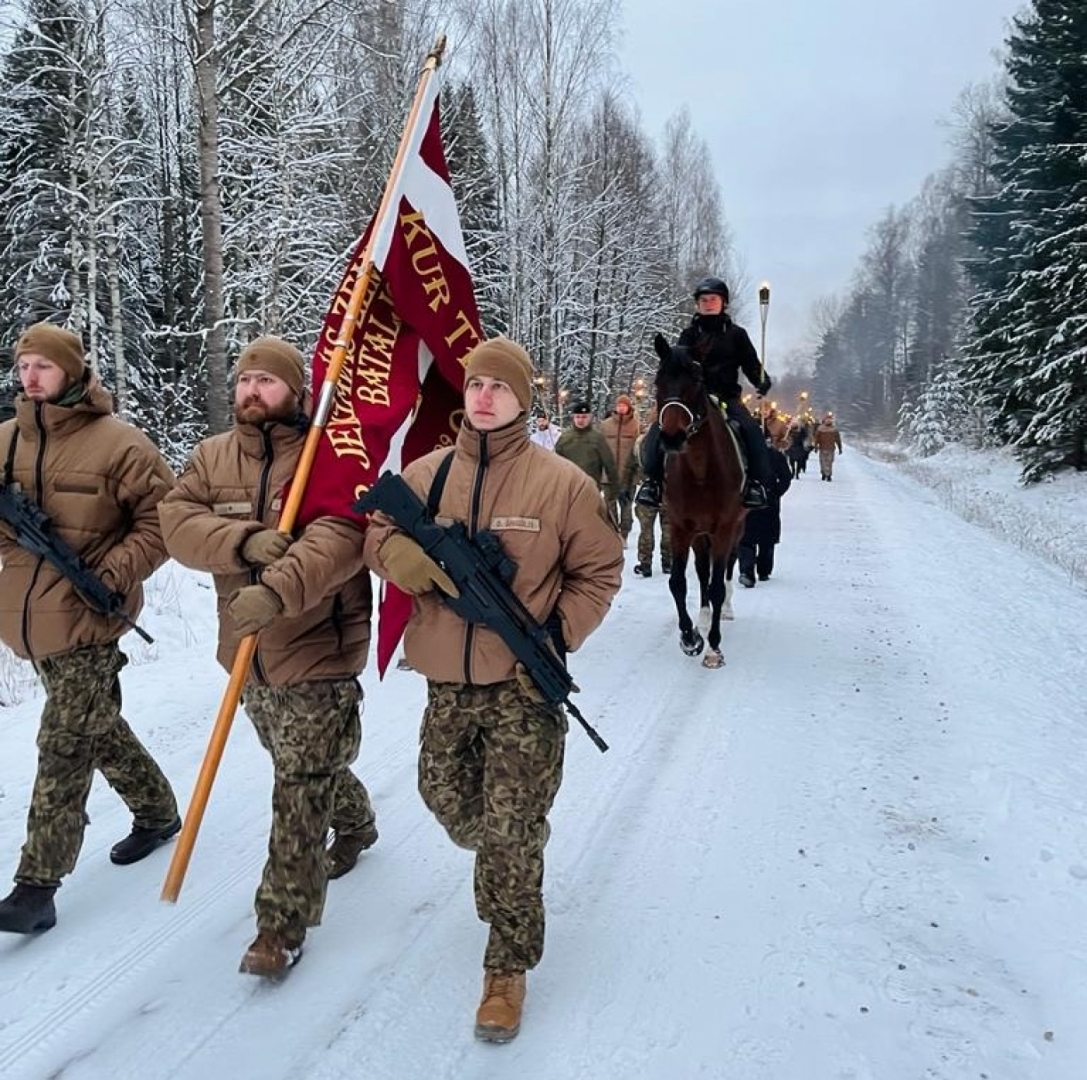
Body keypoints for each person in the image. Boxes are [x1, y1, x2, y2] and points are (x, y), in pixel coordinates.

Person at [363, 338, 623, 1043]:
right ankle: (510, 854)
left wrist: (555, 636)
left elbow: (599, 573)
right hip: (445, 677)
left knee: (508, 831)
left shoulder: (562, 482)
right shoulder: (424, 474)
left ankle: (506, 966)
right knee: (445, 800)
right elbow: (376, 532)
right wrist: (402, 557)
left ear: (521, 399)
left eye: (497, 388)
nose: (482, 397)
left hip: (522, 685)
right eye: (474, 384)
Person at [158, 336, 377, 978]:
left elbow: (341, 538)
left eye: (267, 381)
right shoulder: (211, 456)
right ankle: (357, 821)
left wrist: (277, 591)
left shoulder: (329, 455)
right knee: (299, 764)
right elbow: (176, 520)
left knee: (299, 784)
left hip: (318, 646)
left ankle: (279, 927)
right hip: (246, 656)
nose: (252, 390)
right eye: (245, 379)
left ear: (295, 391)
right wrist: (244, 541)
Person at [0, 323, 180, 935]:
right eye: (23, 365)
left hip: (92, 618)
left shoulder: (120, 446)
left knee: (64, 743)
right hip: (28, 622)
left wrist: (110, 570)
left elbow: (165, 522)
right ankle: (156, 812)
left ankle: (36, 886)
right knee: (94, 726)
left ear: (72, 372)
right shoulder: (4, 442)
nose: (30, 377)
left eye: (42, 367)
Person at [636, 277, 773, 510]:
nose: (708, 304)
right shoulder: (688, 335)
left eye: (713, 299)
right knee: (658, 430)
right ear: (698, 305)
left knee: (751, 431)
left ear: (723, 303)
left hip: (727, 398)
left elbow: (751, 364)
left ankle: (755, 484)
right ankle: (653, 483)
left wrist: (761, 380)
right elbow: (676, 365)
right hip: (693, 399)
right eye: (703, 300)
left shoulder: (737, 335)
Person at [737, 435, 793, 588]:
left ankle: (761, 570)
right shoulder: (744, 456)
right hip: (751, 501)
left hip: (761, 502)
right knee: (751, 538)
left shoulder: (771, 456)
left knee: (758, 539)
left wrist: (775, 492)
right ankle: (749, 571)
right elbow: (786, 478)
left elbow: (785, 477)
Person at [621, 416, 672, 577]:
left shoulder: (640, 444)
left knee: (646, 530)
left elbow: (629, 467)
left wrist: (625, 487)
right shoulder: (675, 445)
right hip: (668, 492)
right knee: (668, 530)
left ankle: (645, 563)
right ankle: (668, 562)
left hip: (648, 491)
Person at [553, 400, 621, 513]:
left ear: (590, 417)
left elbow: (609, 463)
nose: (580, 420)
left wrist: (614, 488)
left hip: (591, 488)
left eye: (584, 417)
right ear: (573, 418)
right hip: (568, 489)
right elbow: (555, 463)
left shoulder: (597, 438)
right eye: (578, 417)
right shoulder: (565, 438)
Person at [599, 393, 640, 541]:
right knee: (609, 505)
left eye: (624, 406)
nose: (621, 408)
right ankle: (613, 532)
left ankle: (625, 533)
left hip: (628, 474)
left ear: (629, 407)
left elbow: (638, 450)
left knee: (626, 505)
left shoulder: (636, 425)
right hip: (608, 474)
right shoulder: (605, 425)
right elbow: (600, 447)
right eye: (619, 405)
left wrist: (637, 474)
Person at [814, 412, 844, 481]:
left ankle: (829, 474)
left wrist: (840, 448)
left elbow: (837, 439)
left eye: (829, 420)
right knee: (823, 462)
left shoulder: (834, 429)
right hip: (822, 448)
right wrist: (816, 446)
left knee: (829, 462)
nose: (828, 421)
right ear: (825, 420)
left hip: (831, 448)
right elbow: (817, 438)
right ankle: (824, 473)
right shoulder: (820, 429)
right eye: (827, 420)